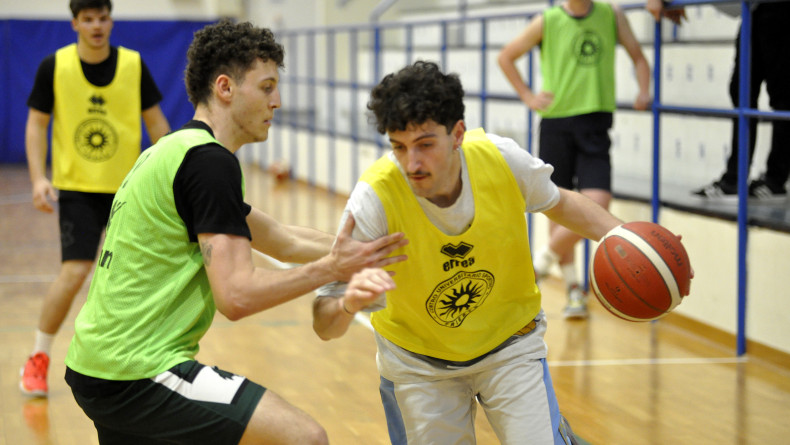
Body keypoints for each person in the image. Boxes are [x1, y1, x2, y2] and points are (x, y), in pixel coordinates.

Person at [63, 19, 408, 444]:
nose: (277, 101)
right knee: (305, 437)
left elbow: (283, 239)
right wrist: (331, 269)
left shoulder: (173, 152)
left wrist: (372, 250)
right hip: (138, 369)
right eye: (266, 87)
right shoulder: (209, 164)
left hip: (97, 363)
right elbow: (237, 296)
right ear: (225, 88)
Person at [312, 60, 628, 444]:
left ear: (457, 134)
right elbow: (324, 325)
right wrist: (348, 304)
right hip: (418, 365)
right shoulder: (374, 198)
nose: (412, 163)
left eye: (425, 144)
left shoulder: (500, 159)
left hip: (510, 344)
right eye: (399, 147)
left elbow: (561, 203)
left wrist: (628, 239)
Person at [21, 0, 171, 397]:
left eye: (103, 18)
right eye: (88, 19)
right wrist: (38, 178)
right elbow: (36, 125)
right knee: (74, 273)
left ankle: (137, 362)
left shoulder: (133, 65)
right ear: (75, 23)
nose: (97, 25)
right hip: (77, 188)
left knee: (137, 278)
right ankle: (38, 357)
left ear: (111, 20)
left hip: (129, 189)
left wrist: (174, 174)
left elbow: (156, 124)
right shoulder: (55, 66)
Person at [497, 0, 650, 318]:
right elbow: (506, 56)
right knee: (558, 209)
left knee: (599, 200)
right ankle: (573, 290)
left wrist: (644, 90)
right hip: (557, 124)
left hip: (596, 122)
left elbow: (638, 57)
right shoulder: (547, 20)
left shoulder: (611, 15)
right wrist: (527, 95)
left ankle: (540, 263)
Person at [688, 1, 790, 201]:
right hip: (754, 9)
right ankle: (734, 180)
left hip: (779, 8)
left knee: (782, 97)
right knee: (742, 92)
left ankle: (774, 181)